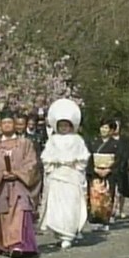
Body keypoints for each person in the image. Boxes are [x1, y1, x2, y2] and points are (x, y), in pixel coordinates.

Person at [0, 109, 41, 258]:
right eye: (4, 123)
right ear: (0, 126)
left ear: (15, 125)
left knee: (21, 212)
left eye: (10, 122)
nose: (7, 125)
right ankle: (5, 245)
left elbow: (32, 163)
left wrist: (17, 173)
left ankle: (19, 245)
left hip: (20, 184)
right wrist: (1, 174)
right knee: (3, 213)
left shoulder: (25, 143)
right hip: (1, 185)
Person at [39, 99, 90, 249]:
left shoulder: (77, 140)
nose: (63, 128)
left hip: (72, 175)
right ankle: (59, 231)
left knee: (71, 204)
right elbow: (45, 157)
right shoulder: (52, 140)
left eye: (66, 125)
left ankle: (69, 232)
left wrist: (73, 161)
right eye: (60, 125)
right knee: (57, 205)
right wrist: (54, 161)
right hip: (57, 175)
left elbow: (84, 157)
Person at [86, 119, 120, 231]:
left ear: (111, 130)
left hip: (109, 173)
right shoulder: (93, 142)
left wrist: (109, 169)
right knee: (95, 198)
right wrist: (94, 169)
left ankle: (106, 220)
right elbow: (89, 157)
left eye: (106, 128)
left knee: (107, 197)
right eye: (102, 127)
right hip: (96, 172)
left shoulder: (115, 144)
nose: (103, 130)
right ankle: (95, 220)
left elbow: (119, 159)